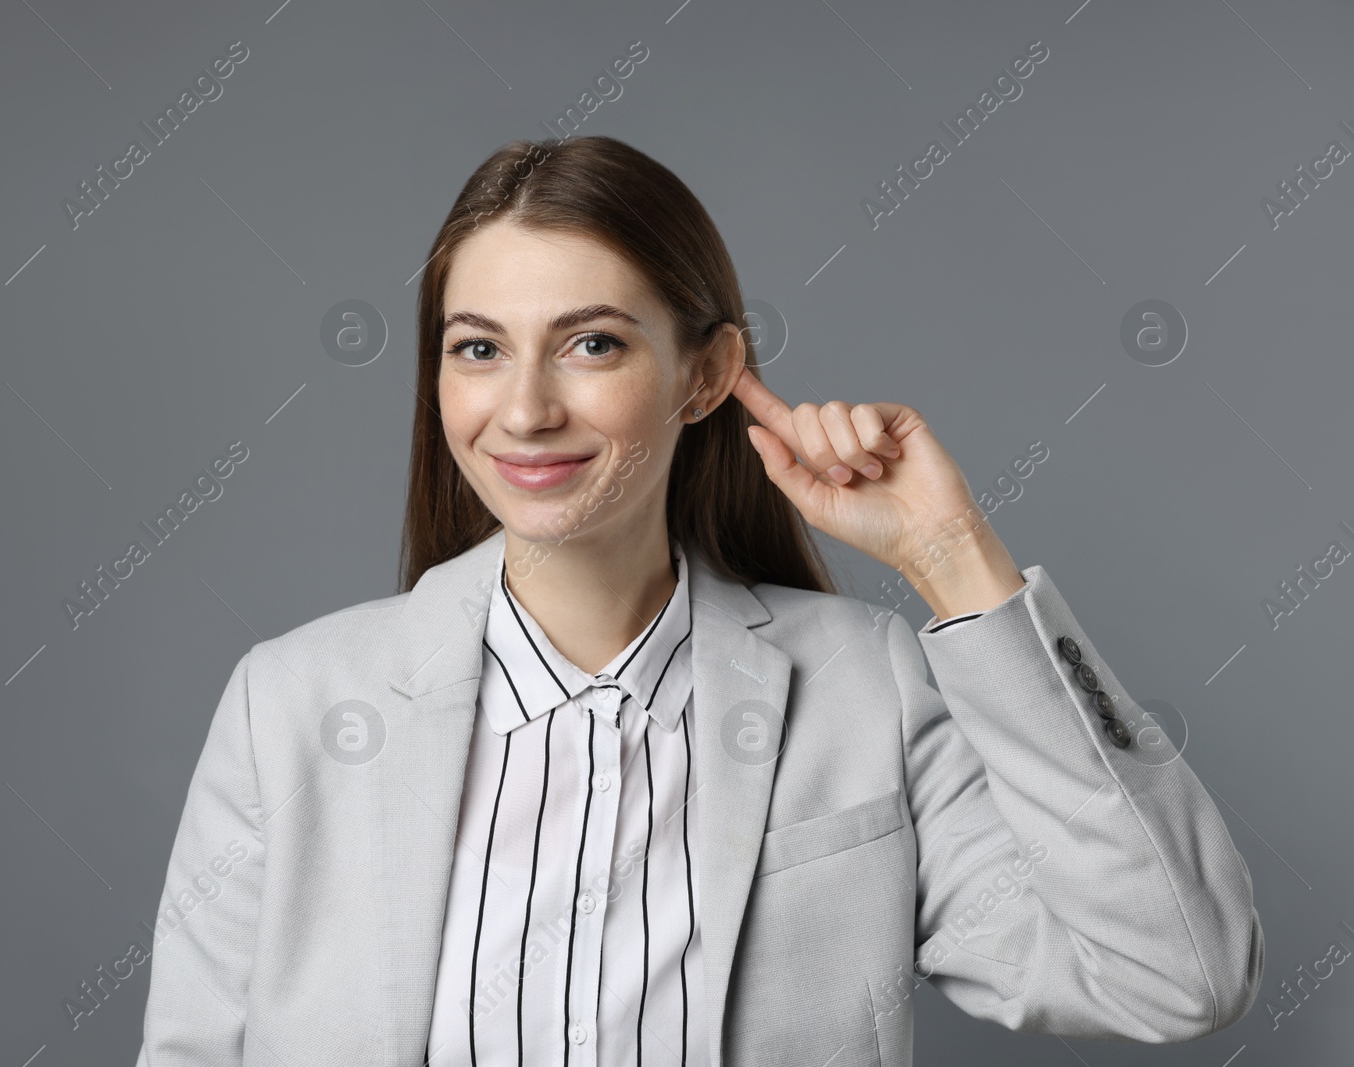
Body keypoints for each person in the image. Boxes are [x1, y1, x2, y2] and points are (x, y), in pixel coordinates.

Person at [134, 135, 1262, 1066]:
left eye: (591, 343)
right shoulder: (288, 704)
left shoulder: (864, 688)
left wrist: (953, 554)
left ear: (707, 375)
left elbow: (1178, 972)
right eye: (478, 347)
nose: (523, 409)